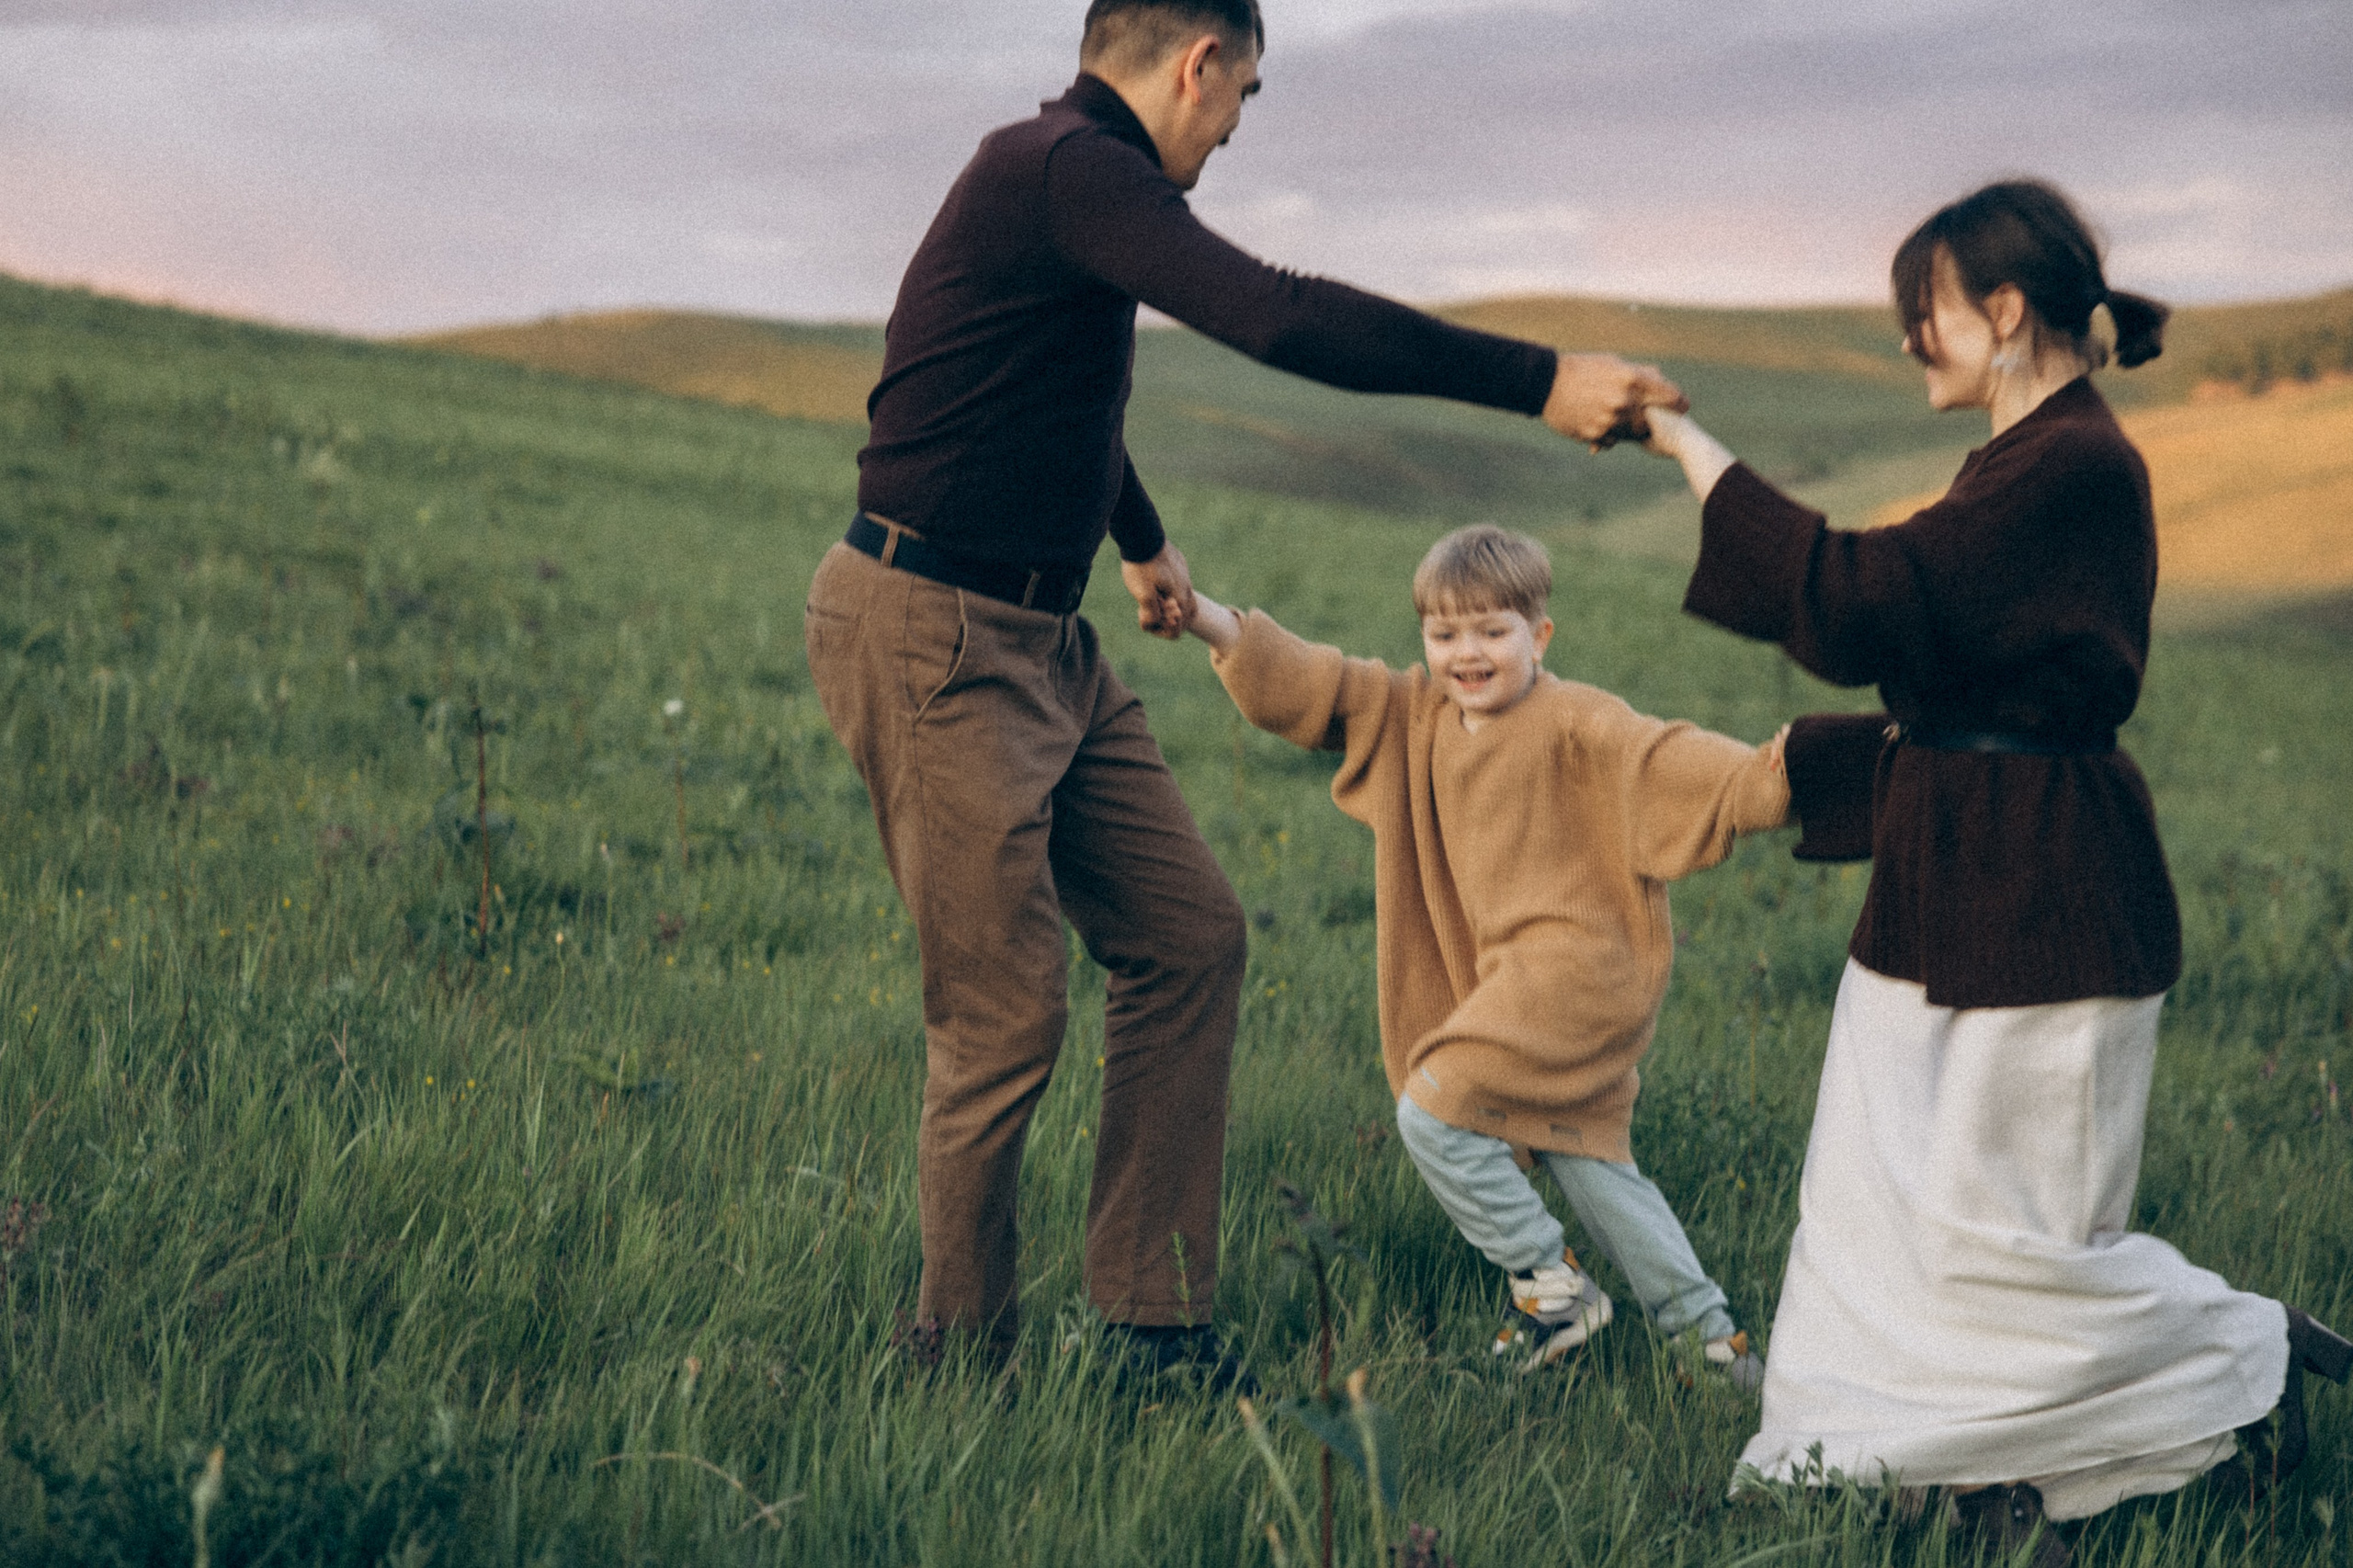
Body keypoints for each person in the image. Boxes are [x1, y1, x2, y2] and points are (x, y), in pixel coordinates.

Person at [803, 0, 1683, 1379]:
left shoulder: (1070, 188)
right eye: (1243, 96)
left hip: (1042, 636)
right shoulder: (1068, 167)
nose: (1231, 129)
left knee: (1189, 935)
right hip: (932, 630)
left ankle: (1149, 1328)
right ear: (1198, 62)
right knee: (1002, 1011)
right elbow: (1274, 315)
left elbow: (1048, 387)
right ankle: (955, 1355)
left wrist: (1141, 539)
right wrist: (1541, 379)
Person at [1640, 179, 2351, 1562]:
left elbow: (1861, 602)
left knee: (2003, 1250)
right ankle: (1955, 1477)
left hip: (2045, 899)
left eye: (1927, 311)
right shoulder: (2021, 458)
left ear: (2005, 309)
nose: (1910, 338)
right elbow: (1964, 677)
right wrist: (1798, 769)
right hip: (1956, 879)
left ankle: (2243, 1349)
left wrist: (1690, 447)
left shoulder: (2073, 462)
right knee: (1877, 1217)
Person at [1181, 524, 1786, 1384]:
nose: (1467, 654)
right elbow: (1318, 683)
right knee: (1586, 1153)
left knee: (1434, 1110)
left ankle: (1550, 1288)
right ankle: (1714, 1347)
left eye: (1492, 631)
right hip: (1518, 980)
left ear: (1539, 636)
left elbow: (1665, 759)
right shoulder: (1416, 716)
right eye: (1444, 634)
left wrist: (1779, 774)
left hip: (1580, 973)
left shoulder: (1575, 719)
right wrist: (1207, 618)